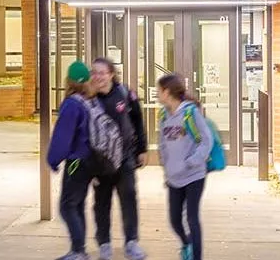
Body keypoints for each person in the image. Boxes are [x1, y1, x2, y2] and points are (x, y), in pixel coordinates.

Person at [87, 58, 148, 260]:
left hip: (125, 159)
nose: (98, 77)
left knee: (128, 199)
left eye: (102, 72)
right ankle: (104, 244)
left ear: (111, 74)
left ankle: (131, 242)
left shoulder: (125, 94)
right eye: (94, 72)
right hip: (100, 163)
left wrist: (142, 149)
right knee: (101, 204)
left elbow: (138, 120)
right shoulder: (88, 98)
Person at [156, 72, 218, 260]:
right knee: (175, 220)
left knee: (191, 219)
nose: (157, 94)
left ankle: (196, 256)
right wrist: (166, 168)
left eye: (159, 90)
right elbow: (162, 144)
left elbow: (206, 141)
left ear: (167, 92)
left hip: (194, 175)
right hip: (174, 177)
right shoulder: (163, 115)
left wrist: (192, 161)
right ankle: (186, 244)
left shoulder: (190, 112)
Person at [45, 61, 99, 260]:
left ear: (70, 80)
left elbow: (63, 136)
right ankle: (79, 249)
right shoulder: (90, 101)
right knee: (76, 205)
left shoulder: (72, 105)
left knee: (67, 206)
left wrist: (53, 159)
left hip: (77, 162)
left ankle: (78, 251)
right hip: (90, 162)